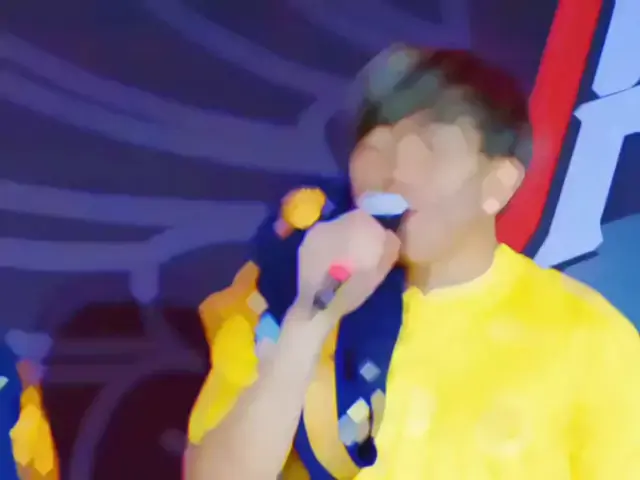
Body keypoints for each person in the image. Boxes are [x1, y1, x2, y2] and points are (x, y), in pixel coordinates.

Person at [183, 45, 640, 480]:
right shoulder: (281, 296)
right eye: (377, 148)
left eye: (431, 149)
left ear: (497, 183)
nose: (397, 172)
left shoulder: (589, 338)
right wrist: (310, 318)